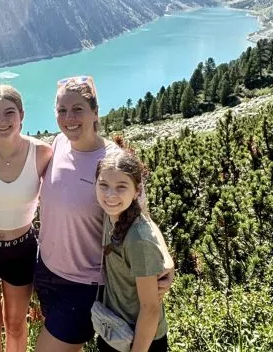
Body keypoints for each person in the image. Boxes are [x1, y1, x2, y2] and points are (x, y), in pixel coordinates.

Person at [34, 76, 173, 352]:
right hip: (47, 271)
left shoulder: (112, 160)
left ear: (95, 112)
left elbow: (139, 214)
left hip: (85, 283)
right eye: (62, 110)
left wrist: (165, 259)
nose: (69, 118)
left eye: (78, 109)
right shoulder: (58, 144)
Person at [0, 85, 53, 352]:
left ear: (22, 115)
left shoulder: (42, 154)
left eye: (9, 113)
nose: (1, 121)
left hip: (21, 249)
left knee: (16, 325)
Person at [94, 149, 172, 352]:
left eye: (121, 187)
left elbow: (150, 308)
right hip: (114, 329)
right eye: (104, 185)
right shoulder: (113, 213)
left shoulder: (137, 239)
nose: (110, 195)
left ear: (137, 190)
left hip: (140, 340)